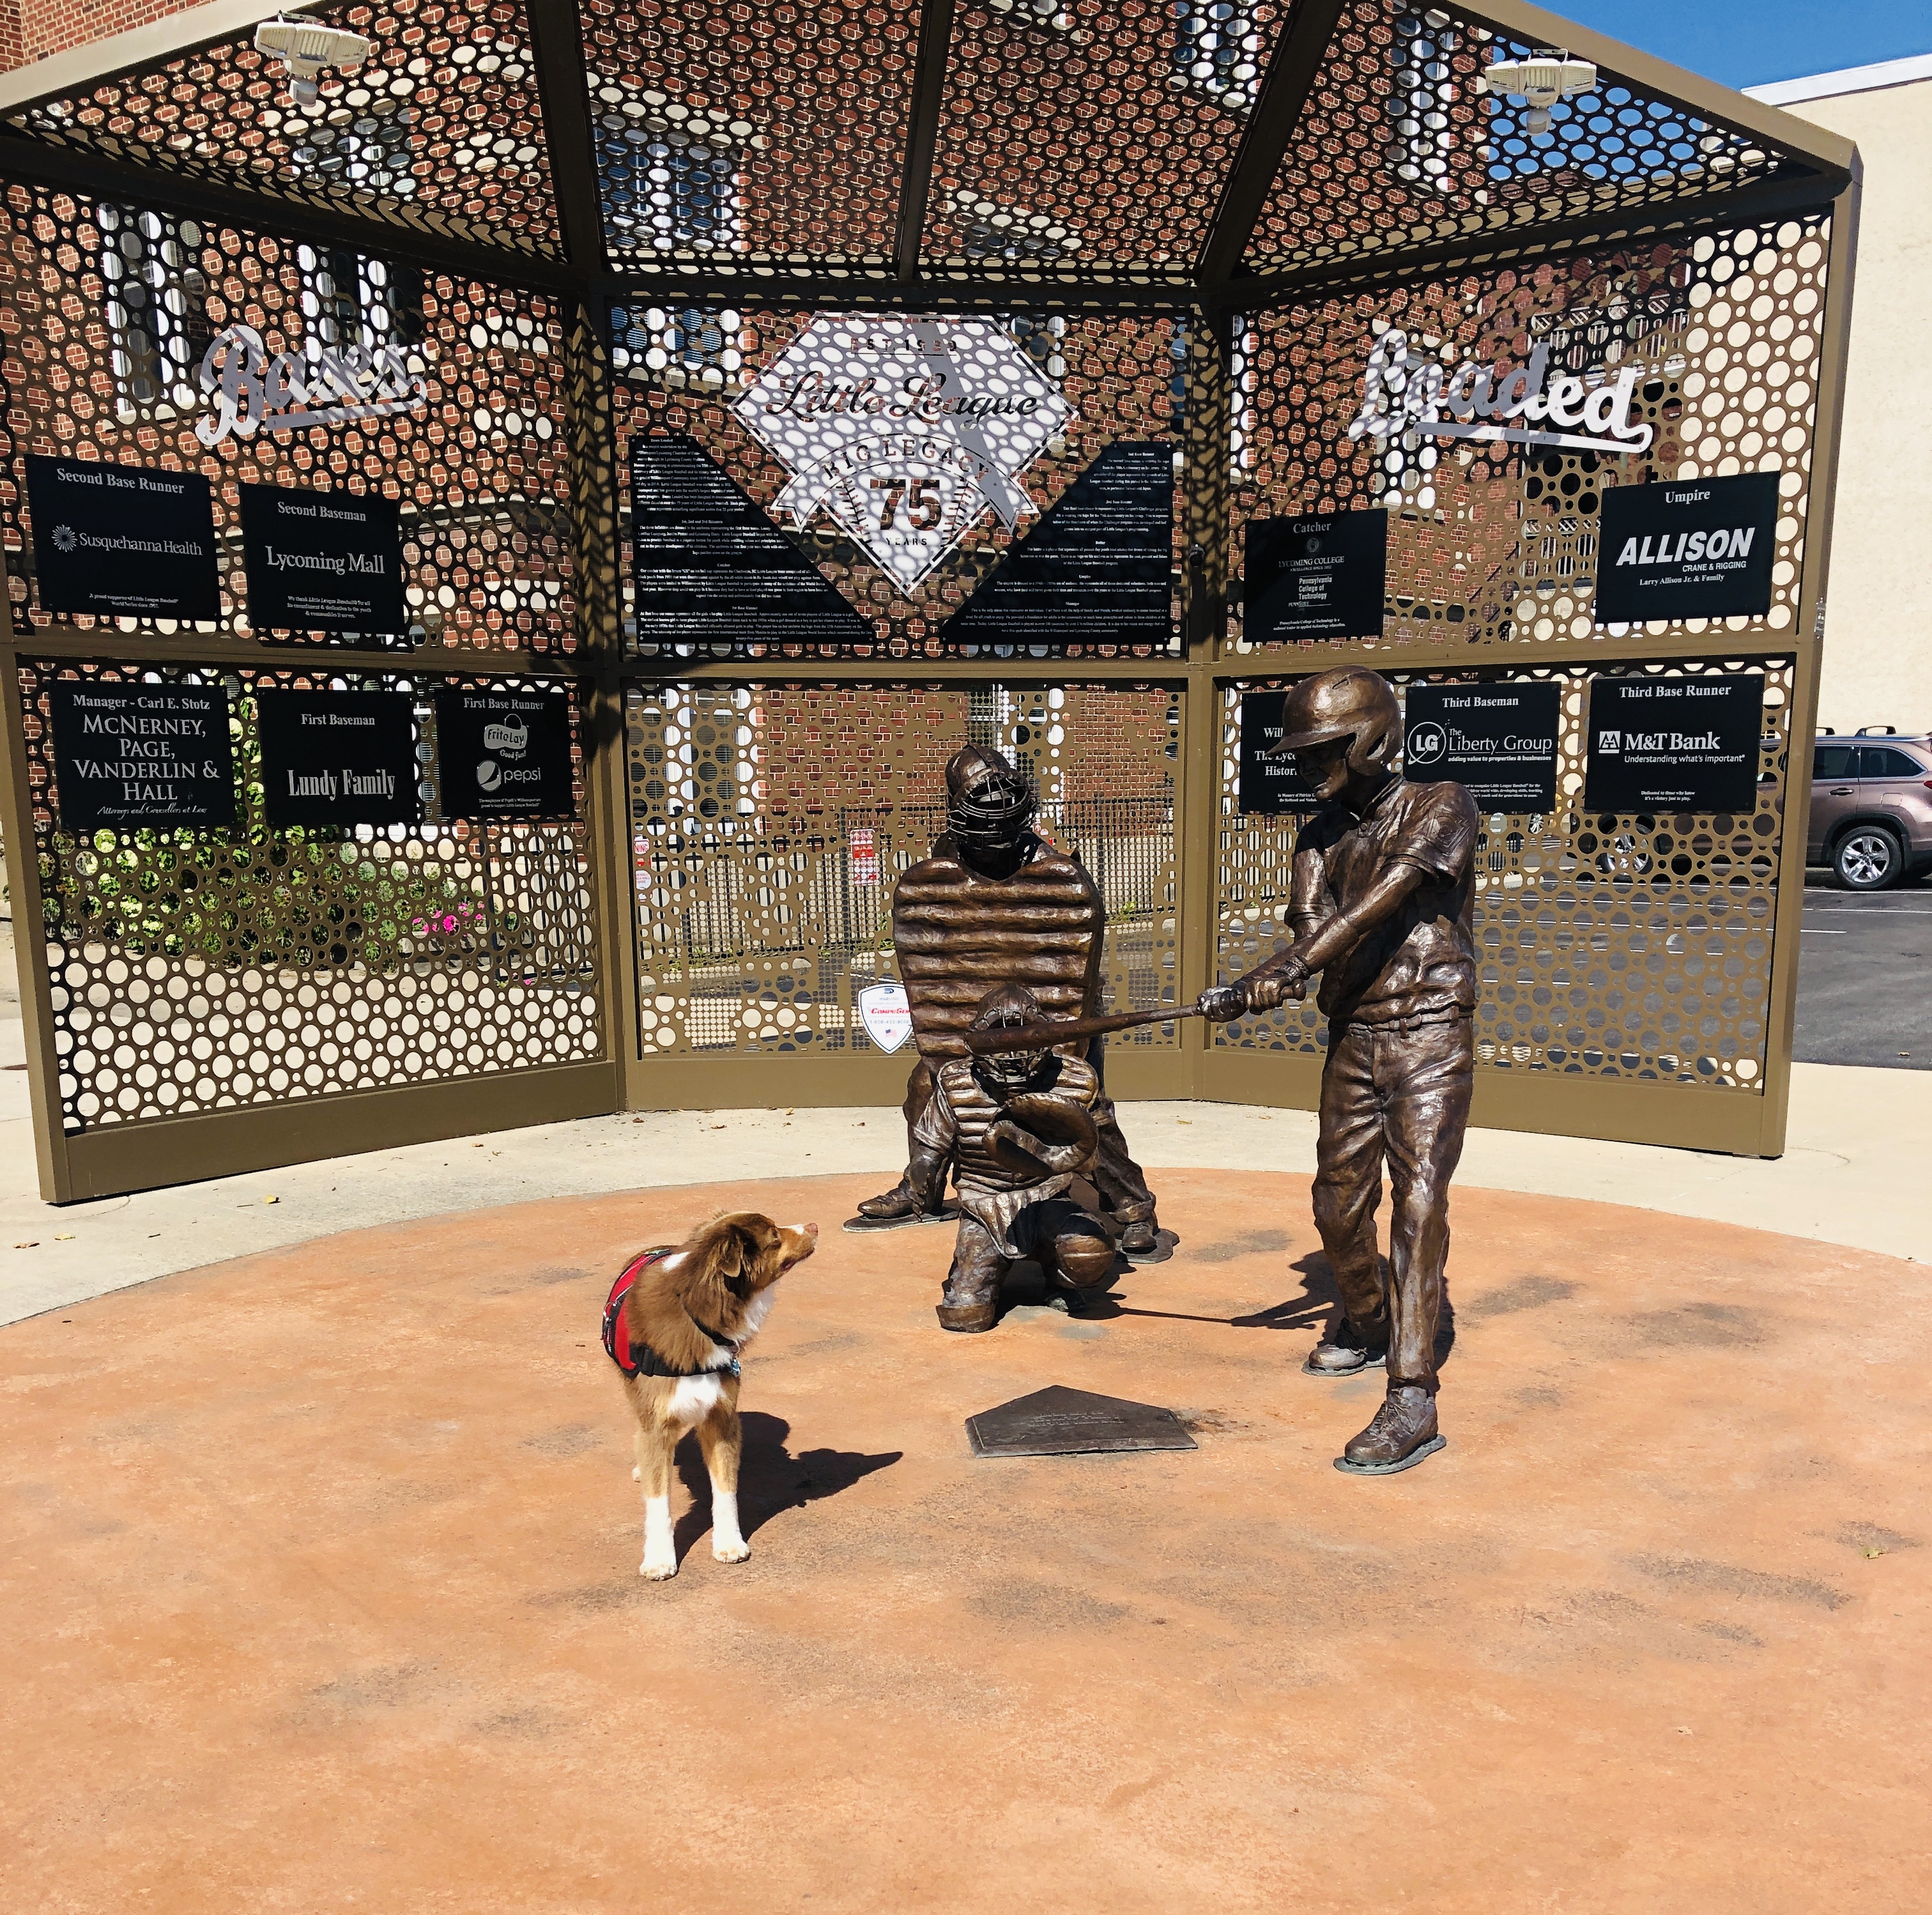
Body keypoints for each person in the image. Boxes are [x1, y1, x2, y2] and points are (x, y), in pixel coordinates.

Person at [1199, 666, 1477, 1474]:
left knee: (1419, 1201)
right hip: (1354, 1035)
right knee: (1336, 1206)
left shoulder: (1441, 804)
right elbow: (1317, 931)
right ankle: (1365, 1316)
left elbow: (1381, 902)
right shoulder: (1316, 837)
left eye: (1323, 749)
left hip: (1429, 1031)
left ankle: (1413, 1393)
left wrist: (1288, 966)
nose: (1307, 765)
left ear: (1371, 740)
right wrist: (1263, 984)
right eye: (1300, 753)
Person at [856, 744, 1162, 1256]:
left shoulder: (1053, 872)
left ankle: (1132, 1206)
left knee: (1083, 1099)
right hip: (981, 1017)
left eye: (1005, 811)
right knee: (925, 1084)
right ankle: (920, 1189)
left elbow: (1070, 970)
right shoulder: (941, 866)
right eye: (985, 812)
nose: (997, 825)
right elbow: (940, 961)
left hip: (1050, 1020)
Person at [902, 983, 1118, 1332]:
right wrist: (920, 1181)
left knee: (1088, 1251)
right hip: (984, 1201)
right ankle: (975, 1274)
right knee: (966, 1316)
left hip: (1048, 1197)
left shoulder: (1076, 1079)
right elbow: (931, 1151)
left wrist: (1127, 1207)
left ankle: (1060, 1280)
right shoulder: (955, 1082)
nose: (1013, 1056)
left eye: (1023, 1040)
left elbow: (1102, 1158)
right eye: (1000, 1041)